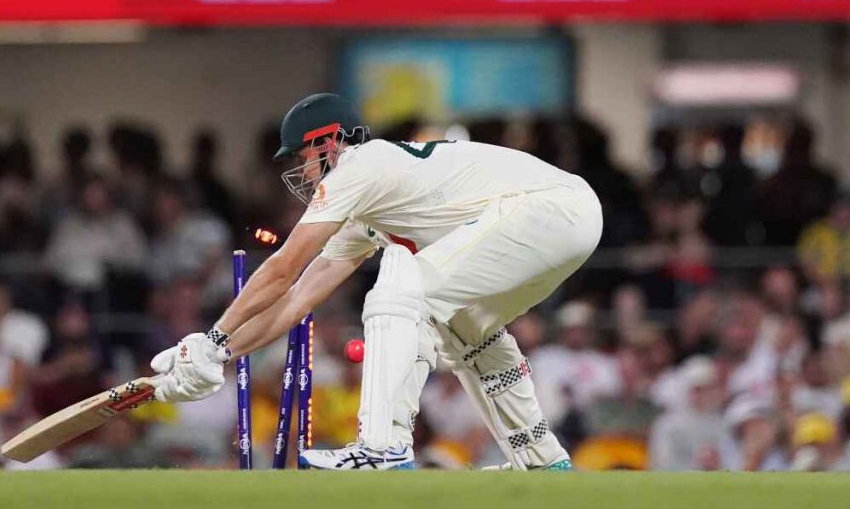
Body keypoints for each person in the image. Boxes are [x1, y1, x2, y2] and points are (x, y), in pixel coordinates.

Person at [148, 93, 602, 470]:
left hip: (550, 209)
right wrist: (217, 355)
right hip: (565, 222)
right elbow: (298, 297)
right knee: (465, 329)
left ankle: (383, 445)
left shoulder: (359, 165)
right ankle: (541, 459)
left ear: (329, 142)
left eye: (303, 158)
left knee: (401, 286)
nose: (303, 173)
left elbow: (283, 266)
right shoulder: (368, 206)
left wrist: (214, 335)